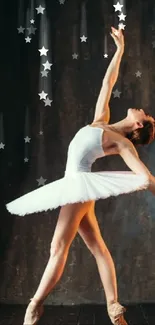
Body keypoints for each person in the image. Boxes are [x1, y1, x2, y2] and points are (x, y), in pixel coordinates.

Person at [6, 27, 155, 325]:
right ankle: (114, 307)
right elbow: (107, 81)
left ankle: (34, 305)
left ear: (138, 127)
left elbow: (147, 178)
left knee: (57, 248)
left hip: (78, 185)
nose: (143, 110)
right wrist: (120, 50)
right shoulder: (102, 121)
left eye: (146, 116)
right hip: (77, 185)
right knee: (97, 247)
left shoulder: (122, 143)